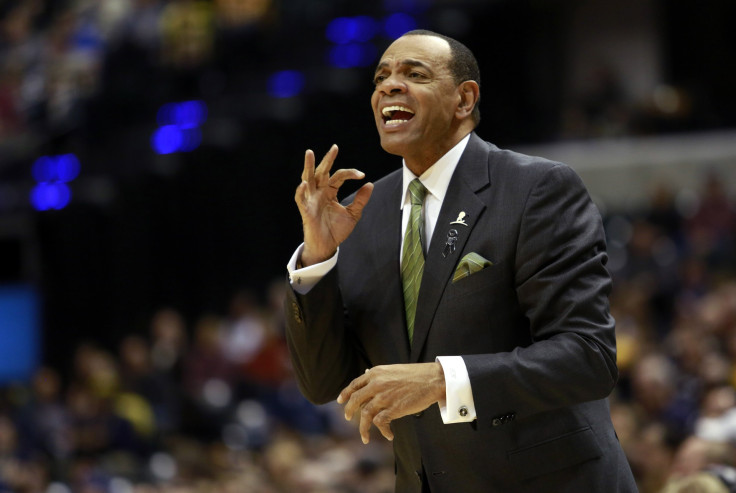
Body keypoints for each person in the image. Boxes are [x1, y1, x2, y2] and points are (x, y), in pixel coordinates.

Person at [284, 30, 637, 492]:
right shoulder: (359, 214)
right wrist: (318, 257)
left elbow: (587, 357)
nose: (389, 86)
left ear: (464, 99)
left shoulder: (535, 188)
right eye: (381, 77)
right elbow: (323, 382)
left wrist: (441, 379)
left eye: (415, 74)